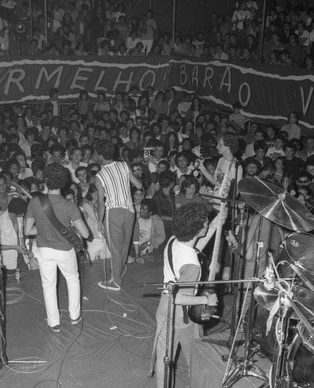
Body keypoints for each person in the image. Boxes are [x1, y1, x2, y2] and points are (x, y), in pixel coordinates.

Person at [153, 203, 219, 388]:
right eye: (205, 223)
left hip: (164, 308)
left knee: (164, 356)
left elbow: (196, 247)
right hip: (181, 315)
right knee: (196, 356)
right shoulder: (192, 266)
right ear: (198, 229)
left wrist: (216, 220)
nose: (207, 224)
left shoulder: (174, 240)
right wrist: (206, 299)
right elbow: (179, 297)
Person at [25, 163, 89, 333]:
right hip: (65, 250)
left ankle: (54, 322)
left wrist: (45, 228)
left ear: (44, 180)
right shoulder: (69, 205)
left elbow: (27, 230)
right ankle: (75, 316)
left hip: (44, 249)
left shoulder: (35, 201)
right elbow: (86, 233)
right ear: (64, 183)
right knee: (73, 280)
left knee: (48, 285)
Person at [94, 140, 142, 291]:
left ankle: (116, 282)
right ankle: (119, 271)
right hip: (130, 210)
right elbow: (139, 185)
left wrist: (100, 221)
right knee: (124, 245)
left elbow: (101, 203)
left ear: (101, 156)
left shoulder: (99, 175)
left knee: (114, 247)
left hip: (114, 212)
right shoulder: (124, 165)